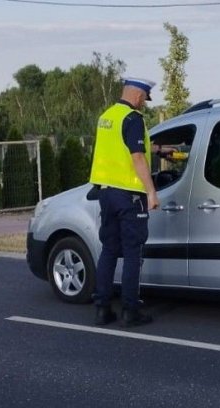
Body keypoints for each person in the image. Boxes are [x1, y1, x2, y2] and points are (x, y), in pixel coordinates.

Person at [89, 77, 161, 327]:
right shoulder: (133, 118)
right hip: (130, 195)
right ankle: (130, 311)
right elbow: (137, 156)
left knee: (109, 250)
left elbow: (119, 148)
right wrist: (151, 191)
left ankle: (102, 309)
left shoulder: (107, 117)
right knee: (133, 252)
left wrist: (160, 149)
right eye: (145, 99)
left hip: (107, 194)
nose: (144, 104)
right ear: (139, 96)